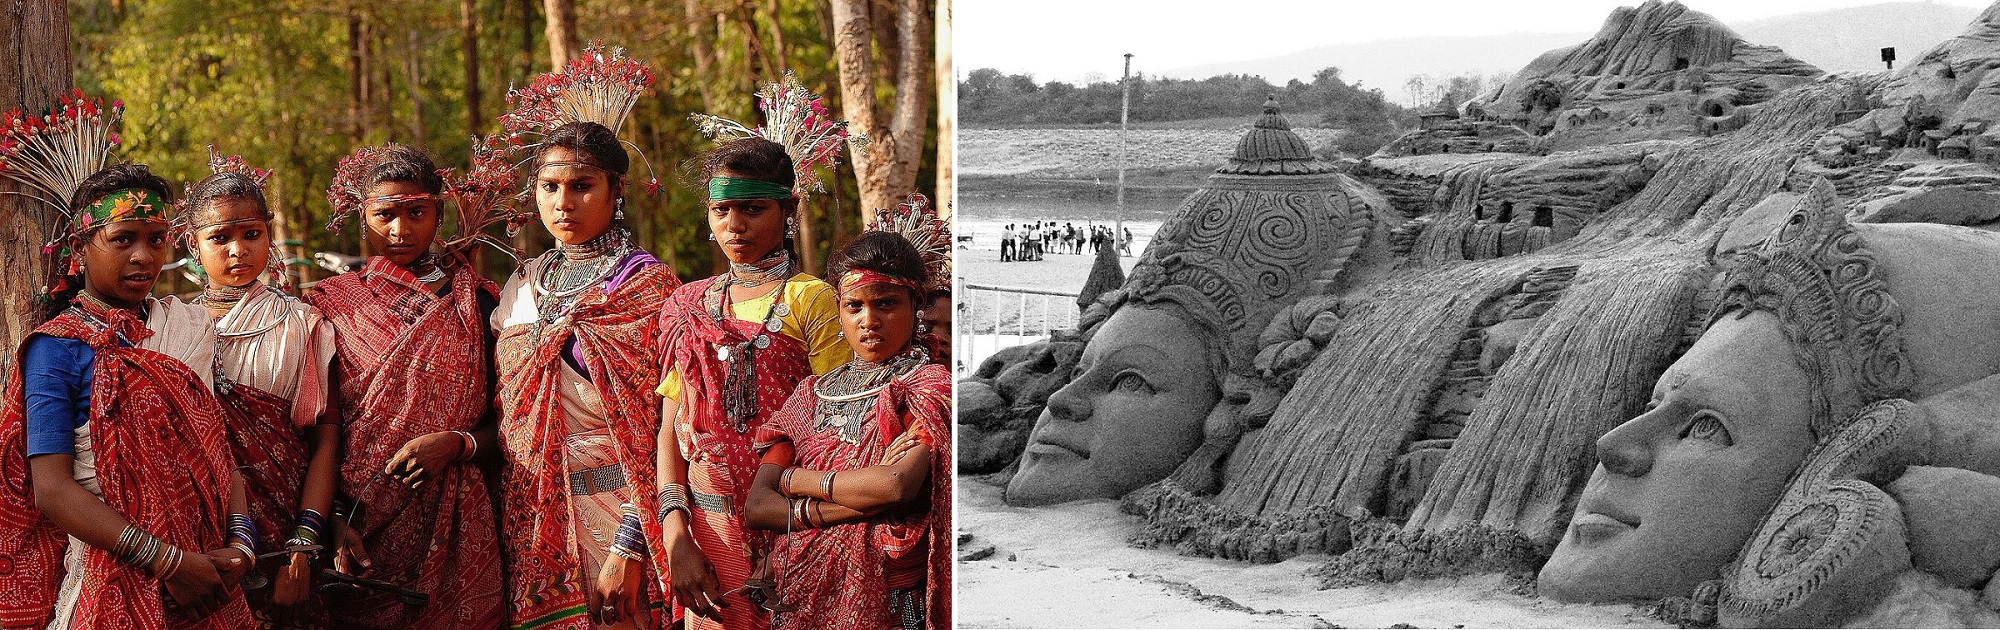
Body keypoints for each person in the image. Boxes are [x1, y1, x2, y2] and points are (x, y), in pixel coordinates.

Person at [0, 161, 256, 628]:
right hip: (114, 575)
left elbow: (216, 456)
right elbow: (52, 490)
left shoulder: (185, 329)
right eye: (123, 239)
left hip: (209, 573)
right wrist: (169, 563)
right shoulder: (56, 351)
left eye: (156, 239)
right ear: (80, 247)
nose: (144, 256)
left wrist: (241, 544)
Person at [303, 144, 507, 629]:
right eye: (385, 215)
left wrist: (458, 444)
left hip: (461, 520)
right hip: (360, 524)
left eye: (416, 213)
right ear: (362, 216)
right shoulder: (330, 305)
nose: (400, 230)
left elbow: (514, 421)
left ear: (439, 214)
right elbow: (318, 429)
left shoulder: (478, 303)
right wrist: (331, 516)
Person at [655, 137, 852, 630]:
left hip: (789, 524)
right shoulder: (688, 304)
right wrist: (676, 536)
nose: (734, 225)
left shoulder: (812, 299)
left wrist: (792, 535)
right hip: (706, 533)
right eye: (721, 209)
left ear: (790, 208)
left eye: (752, 209)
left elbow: (834, 428)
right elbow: (670, 429)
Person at [492, 120, 680, 629]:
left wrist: (631, 543)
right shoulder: (523, 283)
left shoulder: (648, 287)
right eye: (550, 187)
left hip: (624, 511)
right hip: (534, 521)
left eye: (581, 186)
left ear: (616, 190)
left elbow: (661, 427)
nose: (563, 202)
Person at [743, 230, 953, 630]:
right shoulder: (811, 395)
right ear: (839, 310)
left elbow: (894, 486)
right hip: (800, 597)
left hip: (892, 601)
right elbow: (757, 507)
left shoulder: (928, 388)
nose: (869, 321)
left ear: (918, 304)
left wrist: (790, 481)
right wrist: (860, 500)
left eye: (886, 304)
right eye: (854, 306)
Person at [181, 155, 343, 627]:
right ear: (193, 244)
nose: (238, 251)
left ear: (269, 234)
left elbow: (325, 440)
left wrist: (304, 543)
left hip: (288, 525)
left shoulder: (302, 324)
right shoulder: (170, 325)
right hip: (197, 536)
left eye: (251, 235)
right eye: (219, 238)